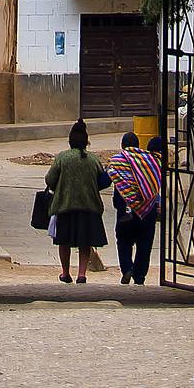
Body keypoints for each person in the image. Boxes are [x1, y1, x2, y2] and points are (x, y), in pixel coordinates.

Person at [44, 119, 111, 283]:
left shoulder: (63, 158)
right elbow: (102, 181)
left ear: (70, 141)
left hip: (64, 206)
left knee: (64, 241)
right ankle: (82, 274)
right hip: (89, 206)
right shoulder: (93, 160)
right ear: (86, 142)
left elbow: (49, 179)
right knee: (85, 242)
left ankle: (65, 272)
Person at [110, 131, 163, 285]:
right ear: (138, 145)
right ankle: (139, 277)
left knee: (124, 241)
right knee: (145, 244)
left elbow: (105, 180)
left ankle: (127, 269)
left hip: (125, 210)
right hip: (147, 210)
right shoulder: (150, 161)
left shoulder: (117, 161)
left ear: (122, 145)